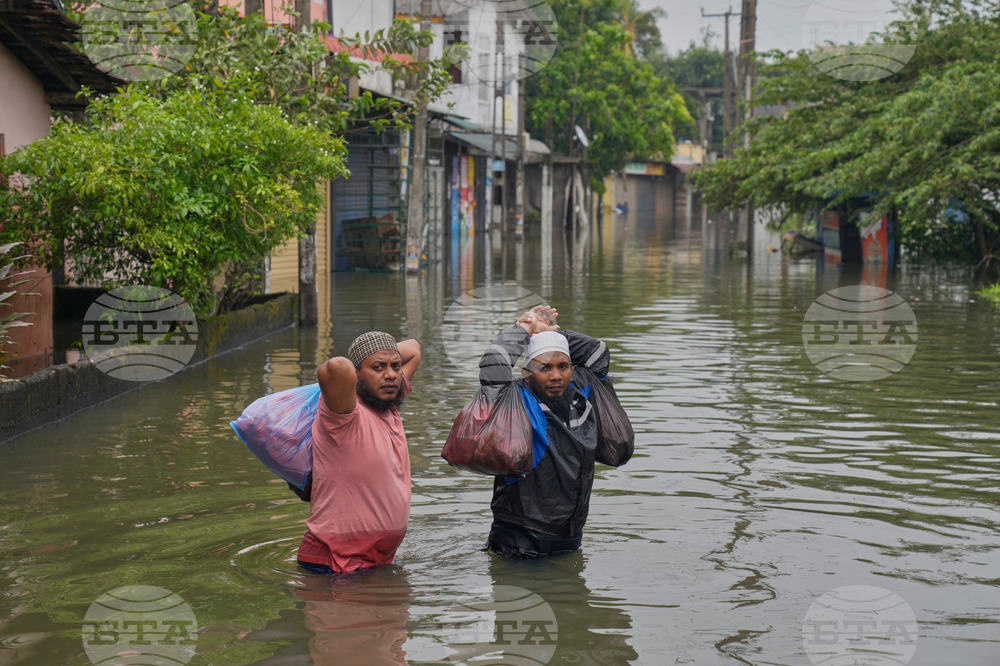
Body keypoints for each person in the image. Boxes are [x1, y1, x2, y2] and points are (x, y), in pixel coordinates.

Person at [479, 305, 628, 558]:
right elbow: (494, 361)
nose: (556, 376)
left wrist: (548, 334)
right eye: (544, 368)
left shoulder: (581, 392)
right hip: (521, 540)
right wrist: (524, 330)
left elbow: (597, 351)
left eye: (563, 366)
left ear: (571, 369)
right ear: (527, 374)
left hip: (569, 537)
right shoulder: (515, 401)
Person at [297, 331, 421, 574]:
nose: (391, 375)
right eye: (378, 367)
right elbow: (335, 368)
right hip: (333, 566)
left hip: (376, 562)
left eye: (396, 367)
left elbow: (414, 348)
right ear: (356, 376)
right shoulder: (344, 414)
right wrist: (366, 353)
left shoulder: (389, 405)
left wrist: (378, 354)